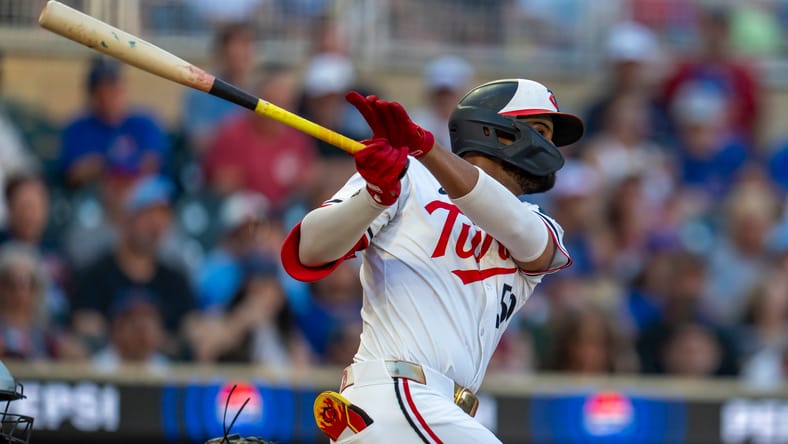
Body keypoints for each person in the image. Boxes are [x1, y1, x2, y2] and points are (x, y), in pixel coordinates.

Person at [282, 78, 582, 443]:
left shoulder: (538, 222)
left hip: (442, 411)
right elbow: (309, 251)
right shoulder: (408, 177)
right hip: (398, 394)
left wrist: (426, 147)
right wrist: (375, 197)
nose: (550, 146)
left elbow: (522, 233)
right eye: (541, 131)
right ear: (497, 131)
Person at [59, 57, 168, 190]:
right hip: (96, 193)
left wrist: (109, 166)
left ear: (123, 89)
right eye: (102, 91)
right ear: (92, 94)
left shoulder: (144, 123)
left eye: (114, 90)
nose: (108, 97)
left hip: (140, 192)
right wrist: (109, 164)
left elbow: (151, 165)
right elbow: (73, 175)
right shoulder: (77, 128)